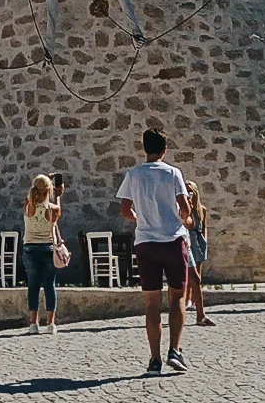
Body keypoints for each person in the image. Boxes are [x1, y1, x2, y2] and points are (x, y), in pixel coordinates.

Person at [116, 127, 193, 375]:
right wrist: (181, 217)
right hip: (172, 240)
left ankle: (154, 359)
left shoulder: (134, 174)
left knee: (151, 303)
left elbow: (125, 209)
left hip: (146, 242)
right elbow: (184, 207)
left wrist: (141, 220)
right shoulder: (173, 173)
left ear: (144, 148)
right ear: (165, 149)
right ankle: (175, 350)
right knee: (178, 297)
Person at [21, 174, 61, 334]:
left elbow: (31, 193)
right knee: (49, 286)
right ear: (48, 191)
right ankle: (50, 324)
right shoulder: (52, 208)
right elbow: (58, 213)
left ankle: (33, 323)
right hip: (47, 249)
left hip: (30, 248)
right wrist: (57, 196)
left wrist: (44, 178)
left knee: (33, 286)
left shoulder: (27, 206)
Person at [184, 180, 214, 327]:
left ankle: (196, 301)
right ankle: (188, 300)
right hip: (188, 238)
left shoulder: (201, 209)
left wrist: (205, 241)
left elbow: (204, 226)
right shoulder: (185, 208)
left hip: (197, 239)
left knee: (197, 273)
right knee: (189, 274)